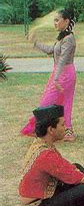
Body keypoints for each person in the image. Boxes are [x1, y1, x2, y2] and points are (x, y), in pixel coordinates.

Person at [22, 9, 77, 141]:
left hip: (64, 74)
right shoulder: (63, 37)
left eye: (57, 20)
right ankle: (66, 131)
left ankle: (59, 131)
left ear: (66, 21)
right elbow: (50, 51)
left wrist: (56, 78)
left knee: (49, 102)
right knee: (60, 103)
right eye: (54, 20)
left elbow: (63, 60)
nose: (55, 23)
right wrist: (35, 43)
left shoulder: (69, 39)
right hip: (60, 73)